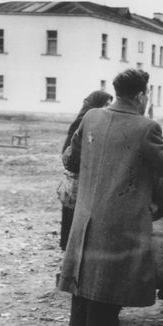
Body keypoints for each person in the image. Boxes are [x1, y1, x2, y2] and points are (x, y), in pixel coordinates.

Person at [58, 69, 163, 326]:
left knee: (84, 278)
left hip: (85, 215)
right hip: (120, 220)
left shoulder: (91, 117)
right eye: (147, 94)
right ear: (140, 96)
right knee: (108, 282)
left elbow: (70, 159)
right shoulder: (145, 127)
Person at [59, 90, 113, 251]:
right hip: (79, 174)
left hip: (87, 173)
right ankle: (69, 246)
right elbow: (68, 150)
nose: (108, 108)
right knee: (74, 211)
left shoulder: (98, 121)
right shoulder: (82, 121)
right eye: (106, 104)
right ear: (96, 104)